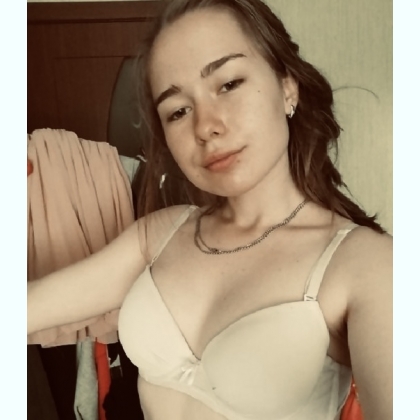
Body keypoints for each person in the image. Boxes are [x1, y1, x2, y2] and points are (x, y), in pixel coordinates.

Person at [27, 0, 392, 419]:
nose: (205, 126)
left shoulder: (365, 265)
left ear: (287, 87)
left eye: (229, 84)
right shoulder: (160, 234)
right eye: (178, 111)